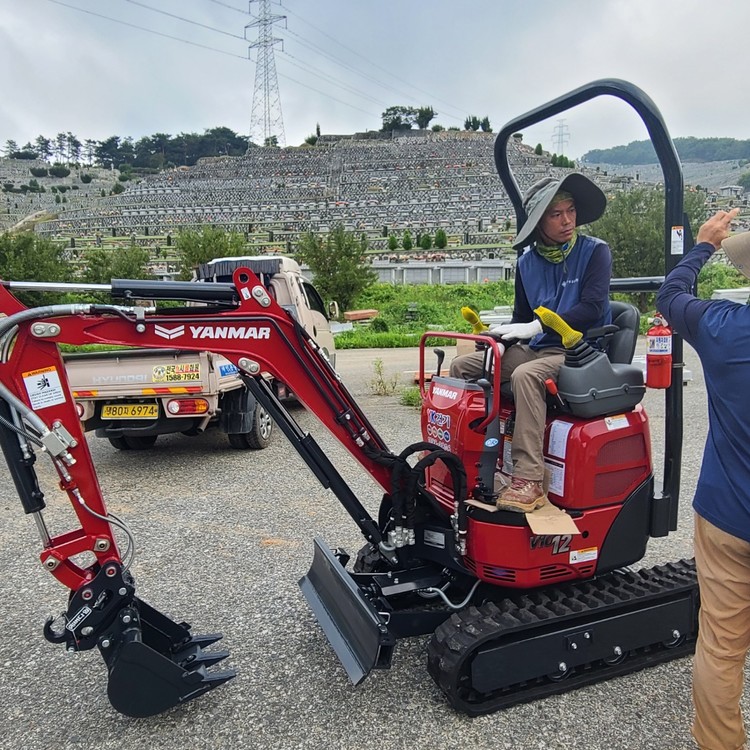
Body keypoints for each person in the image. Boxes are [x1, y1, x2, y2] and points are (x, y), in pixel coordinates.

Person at [449, 173, 612, 512]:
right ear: (539, 223)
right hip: (539, 348)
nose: (567, 220)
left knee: (527, 375)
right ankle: (467, 457)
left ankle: (529, 478)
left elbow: (592, 308)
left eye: (570, 210)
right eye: (556, 214)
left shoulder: (595, 252)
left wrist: (537, 325)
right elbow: (521, 316)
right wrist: (500, 335)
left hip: (579, 352)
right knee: (464, 366)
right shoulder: (526, 263)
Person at [656, 207, 749, 750]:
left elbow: (670, 296)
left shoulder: (721, 328)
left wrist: (704, 245)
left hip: (726, 517)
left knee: (719, 648)